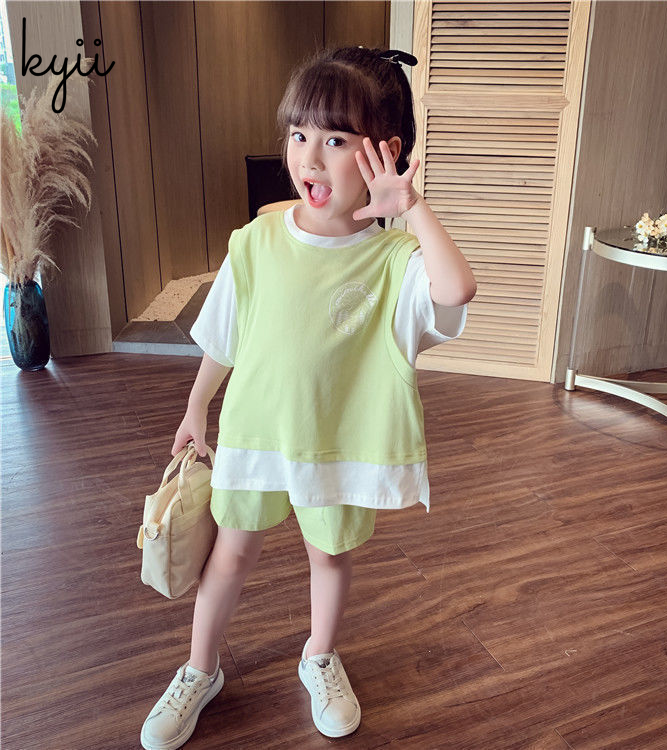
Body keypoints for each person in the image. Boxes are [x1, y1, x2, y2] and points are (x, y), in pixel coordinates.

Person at [140, 45, 476, 750]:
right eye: (299, 135)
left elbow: (457, 290)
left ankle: (319, 655)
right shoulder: (257, 240)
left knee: (329, 555)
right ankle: (200, 669)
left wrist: (411, 209)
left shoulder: (395, 262)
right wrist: (196, 406)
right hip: (256, 434)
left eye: (336, 141)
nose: (310, 159)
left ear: (385, 154)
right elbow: (226, 335)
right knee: (229, 556)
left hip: (335, 444)